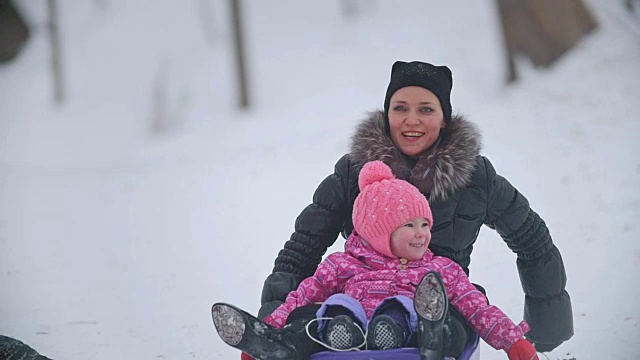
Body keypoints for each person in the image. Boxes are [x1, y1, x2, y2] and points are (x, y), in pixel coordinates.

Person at [258, 61, 573, 355]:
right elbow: (304, 246)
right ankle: (283, 346)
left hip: (442, 301)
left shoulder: (475, 178)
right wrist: (273, 319)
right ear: (387, 115)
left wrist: (546, 329)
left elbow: (531, 238)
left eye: (426, 109)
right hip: (358, 301)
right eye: (400, 108)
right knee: (313, 318)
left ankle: (429, 337)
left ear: (443, 118)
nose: (412, 120)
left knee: (450, 322)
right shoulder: (355, 172)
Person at [217, 161, 539, 360]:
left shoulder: (437, 269)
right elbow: (302, 295)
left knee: (438, 317)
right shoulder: (343, 265)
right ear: (379, 231)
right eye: (409, 225)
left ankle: (427, 334)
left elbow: (477, 308)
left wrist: (512, 342)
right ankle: (274, 346)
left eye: (425, 224)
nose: (422, 234)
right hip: (345, 336)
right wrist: (273, 323)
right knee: (320, 316)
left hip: (415, 336)